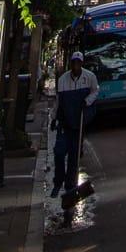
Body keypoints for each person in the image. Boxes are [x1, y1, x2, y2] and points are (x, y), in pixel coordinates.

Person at [51, 51, 98, 199]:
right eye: (74, 63)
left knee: (74, 156)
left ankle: (70, 186)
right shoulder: (63, 80)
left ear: (82, 64)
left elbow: (95, 91)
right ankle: (58, 180)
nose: (76, 66)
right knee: (59, 153)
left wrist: (87, 101)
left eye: (79, 63)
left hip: (78, 123)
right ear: (71, 63)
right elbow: (58, 101)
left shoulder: (89, 77)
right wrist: (54, 118)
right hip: (65, 123)